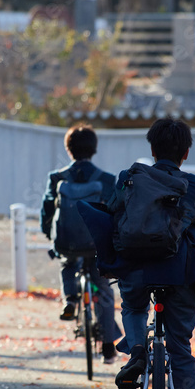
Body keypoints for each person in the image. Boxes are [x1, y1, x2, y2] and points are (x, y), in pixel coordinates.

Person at [85, 118, 195, 389]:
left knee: (132, 308)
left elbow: (113, 219)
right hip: (181, 272)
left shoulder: (129, 178)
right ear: (185, 153)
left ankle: (136, 351)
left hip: (135, 270)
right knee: (180, 351)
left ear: (152, 149)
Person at [40, 124, 121, 364]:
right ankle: (108, 346)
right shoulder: (106, 180)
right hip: (97, 246)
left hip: (68, 243)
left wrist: (50, 234)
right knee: (104, 290)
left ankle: (71, 300)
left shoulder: (56, 178)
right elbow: (115, 213)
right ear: (94, 149)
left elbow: (46, 210)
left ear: (68, 149)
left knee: (67, 263)